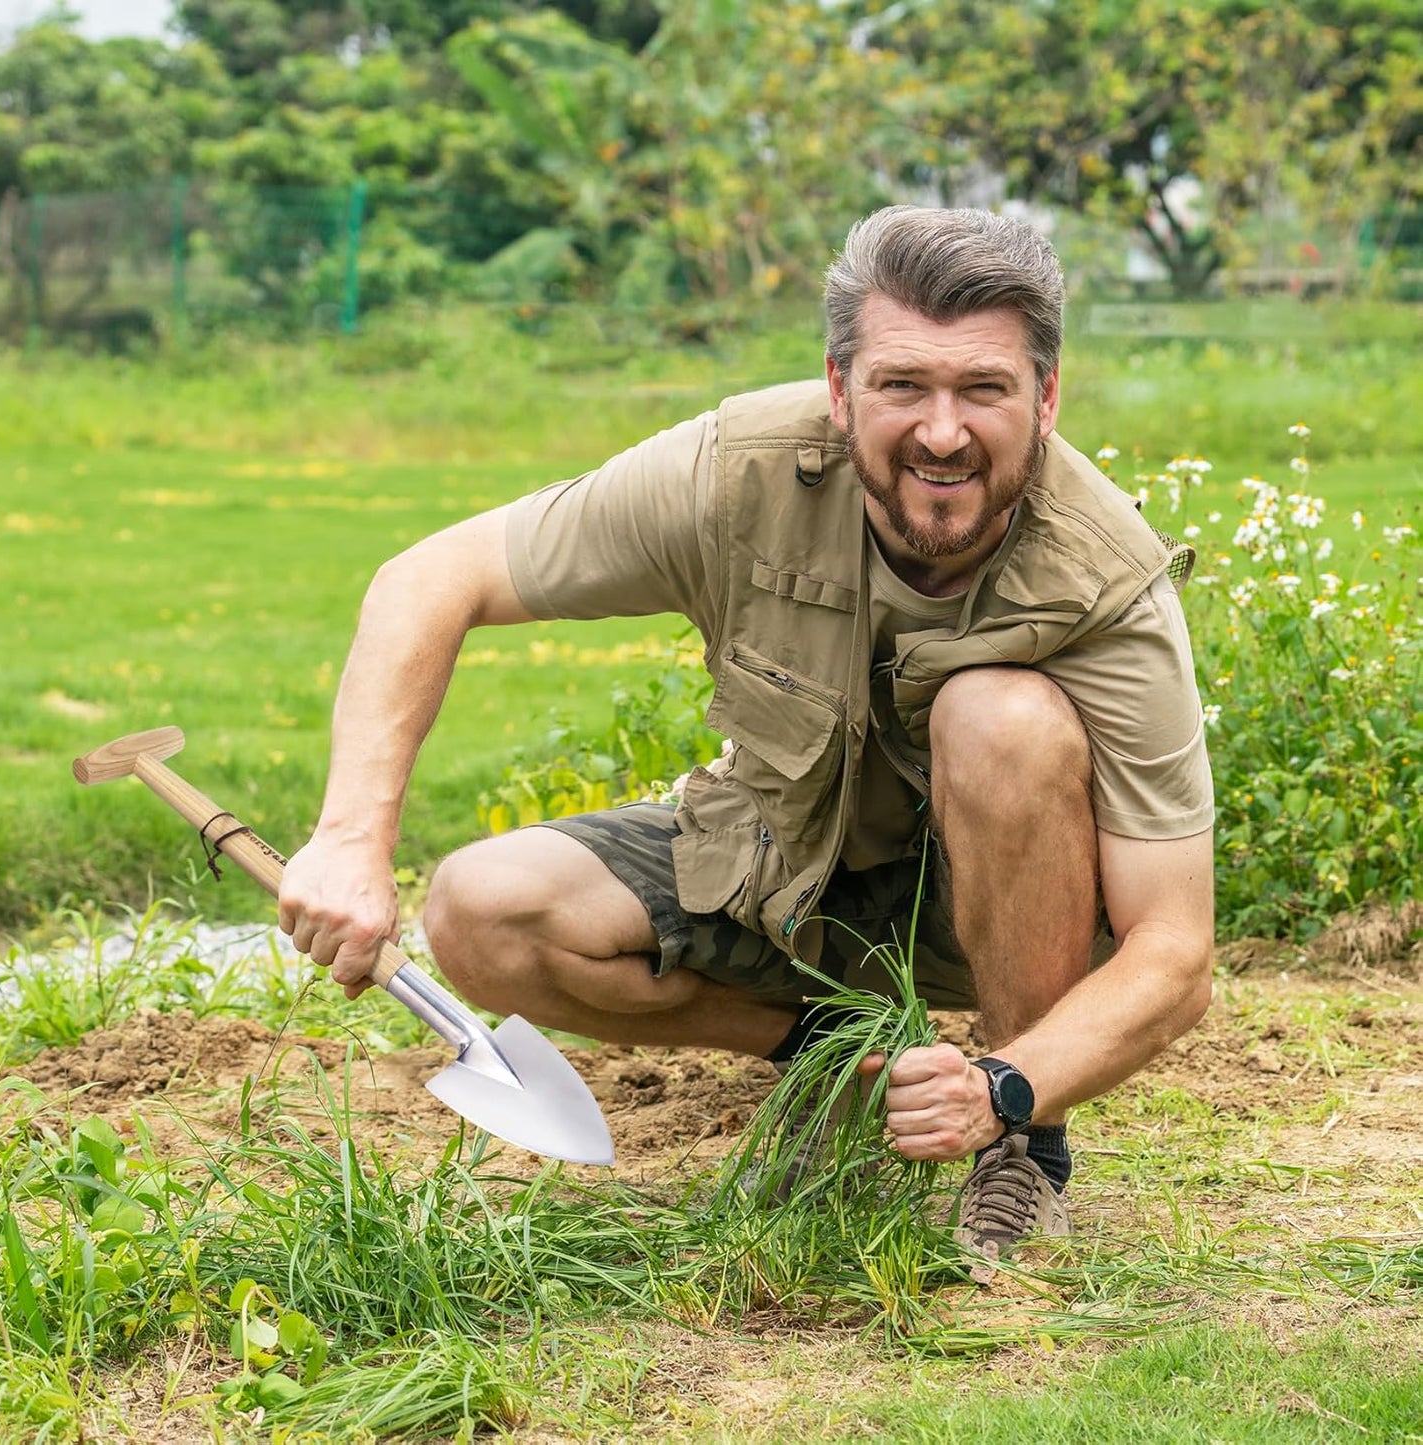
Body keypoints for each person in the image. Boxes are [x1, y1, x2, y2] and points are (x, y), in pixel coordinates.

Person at [277, 206, 1215, 1273]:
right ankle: (841, 1062)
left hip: (1010, 921)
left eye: (983, 389)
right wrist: (351, 837)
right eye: (901, 384)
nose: (942, 431)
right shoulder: (737, 472)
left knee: (995, 716)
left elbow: (1173, 951)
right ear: (836, 387)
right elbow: (429, 578)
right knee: (483, 909)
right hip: (784, 873)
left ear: (1045, 399)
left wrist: (1006, 1084)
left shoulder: (1105, 581)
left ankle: (1017, 1149)